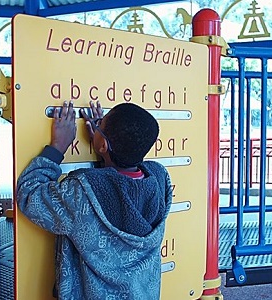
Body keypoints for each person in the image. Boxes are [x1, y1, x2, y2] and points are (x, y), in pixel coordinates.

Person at [16, 100, 172, 300]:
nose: (95, 125)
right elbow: (121, 188)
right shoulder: (158, 180)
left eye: (100, 124)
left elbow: (29, 194)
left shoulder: (80, 192)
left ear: (102, 143)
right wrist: (107, 147)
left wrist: (57, 148)